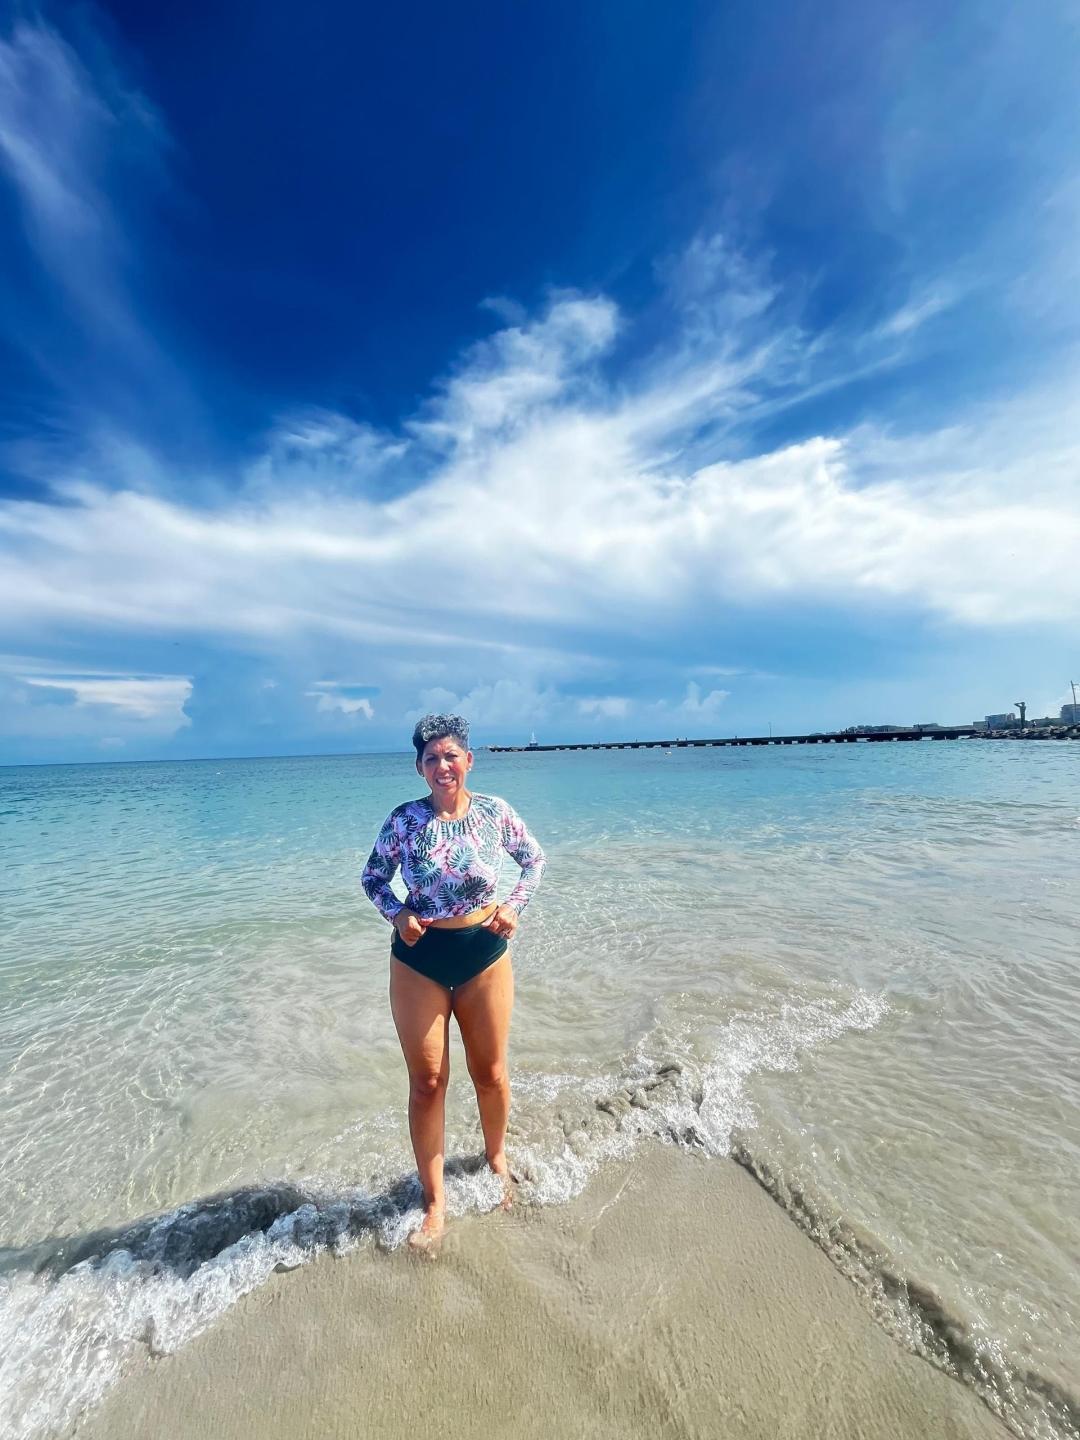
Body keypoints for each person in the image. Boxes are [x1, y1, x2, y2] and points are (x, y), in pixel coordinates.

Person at [361, 713, 546, 1247]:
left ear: (468, 760)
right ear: (419, 768)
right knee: (428, 1083)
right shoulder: (404, 821)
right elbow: (373, 877)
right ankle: (435, 1201)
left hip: (483, 953)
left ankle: (496, 1158)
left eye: (450, 756)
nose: (442, 766)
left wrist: (513, 906)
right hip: (419, 960)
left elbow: (533, 860)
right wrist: (398, 913)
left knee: (490, 1073)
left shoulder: (494, 813)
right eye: (430, 759)